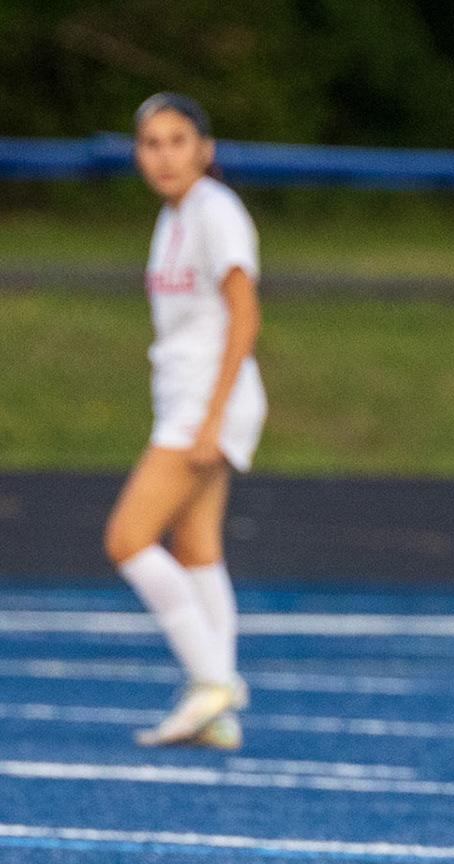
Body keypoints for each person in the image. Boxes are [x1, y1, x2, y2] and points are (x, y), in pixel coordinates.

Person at [103, 93, 262, 748]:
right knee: (196, 548)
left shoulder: (215, 210)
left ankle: (212, 680)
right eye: (151, 144)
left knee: (128, 538)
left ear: (205, 149)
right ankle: (215, 714)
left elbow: (245, 314)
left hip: (206, 404)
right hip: (186, 400)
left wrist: (212, 418)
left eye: (177, 141)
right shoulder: (174, 216)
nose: (164, 156)